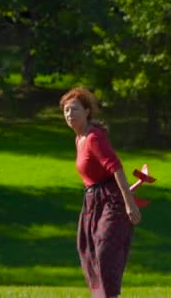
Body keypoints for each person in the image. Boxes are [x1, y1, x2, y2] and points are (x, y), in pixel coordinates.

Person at [60, 87, 141, 298]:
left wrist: (129, 203)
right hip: (92, 199)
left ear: (87, 111)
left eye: (74, 109)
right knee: (87, 248)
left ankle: (109, 295)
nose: (69, 115)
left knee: (105, 250)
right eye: (66, 111)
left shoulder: (94, 137)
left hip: (111, 199)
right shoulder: (79, 139)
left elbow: (116, 167)